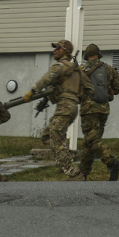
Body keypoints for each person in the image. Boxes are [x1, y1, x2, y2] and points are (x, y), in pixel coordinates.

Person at [22, 39, 87, 181]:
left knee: (56, 139)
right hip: (72, 107)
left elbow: (47, 78)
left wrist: (32, 91)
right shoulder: (77, 71)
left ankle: (74, 173)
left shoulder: (59, 66)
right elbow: (87, 90)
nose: (54, 50)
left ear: (65, 51)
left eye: (58, 48)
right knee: (47, 136)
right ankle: (64, 159)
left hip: (64, 107)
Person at [79, 43, 119, 181]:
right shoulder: (109, 69)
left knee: (92, 140)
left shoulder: (82, 69)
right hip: (103, 110)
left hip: (88, 110)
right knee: (89, 142)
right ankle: (82, 174)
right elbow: (117, 88)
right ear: (98, 54)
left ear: (87, 56)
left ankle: (112, 162)